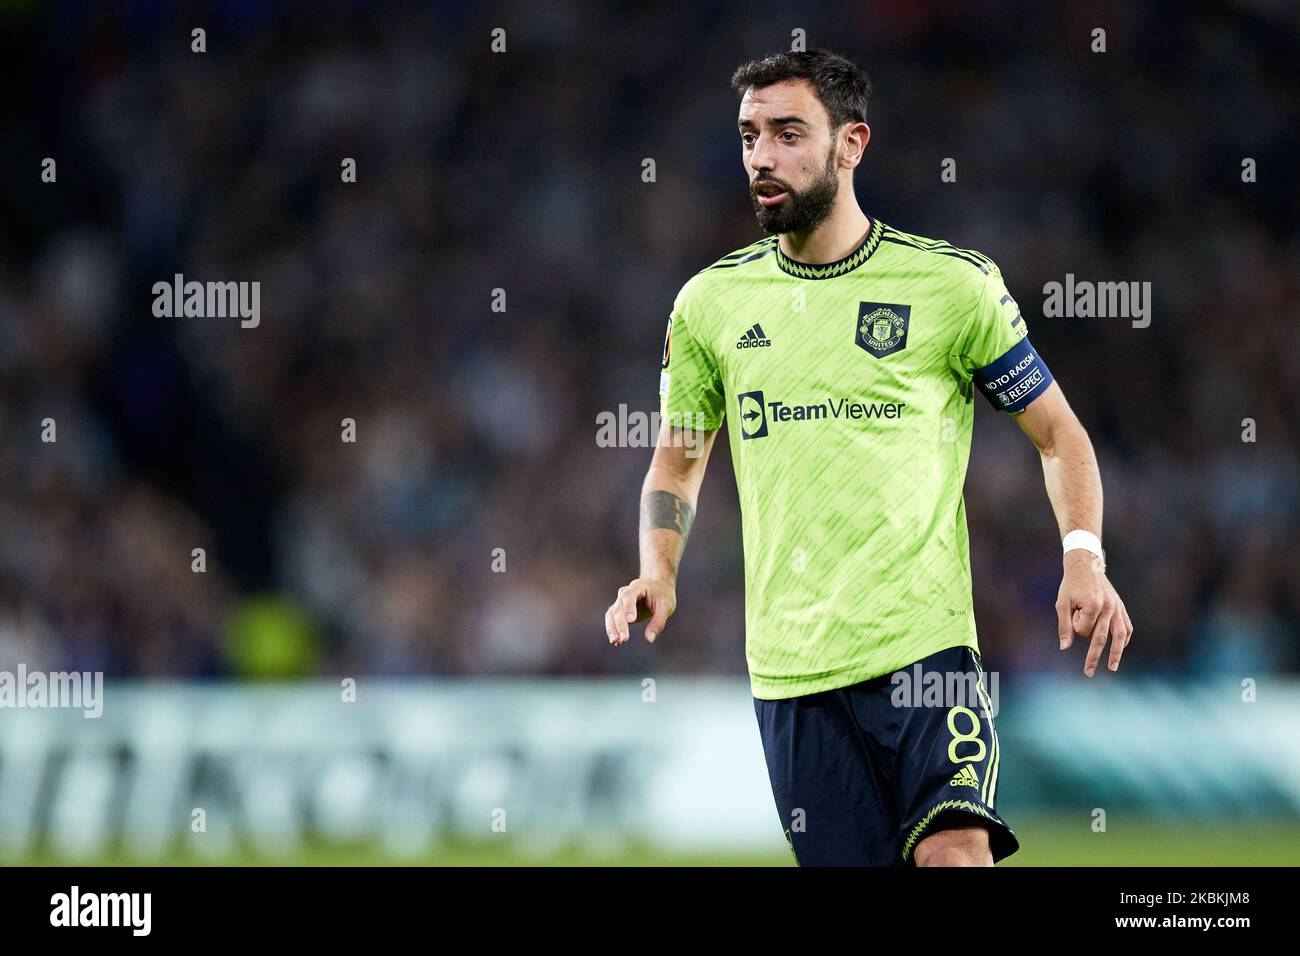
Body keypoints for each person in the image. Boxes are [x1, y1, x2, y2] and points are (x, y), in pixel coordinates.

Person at [603, 49, 1132, 866]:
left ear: (852, 144)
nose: (762, 158)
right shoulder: (709, 305)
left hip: (924, 651)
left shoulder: (952, 287)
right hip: (791, 672)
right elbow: (675, 461)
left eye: (787, 134)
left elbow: (1061, 435)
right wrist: (657, 571)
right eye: (749, 137)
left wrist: (1084, 559)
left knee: (956, 853)